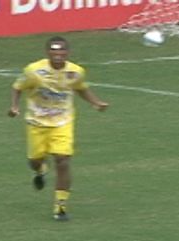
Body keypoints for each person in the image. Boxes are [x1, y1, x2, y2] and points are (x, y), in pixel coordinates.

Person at [8, 36, 109, 221]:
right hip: (37, 123)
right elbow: (17, 87)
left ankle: (60, 206)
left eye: (61, 52)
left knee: (62, 160)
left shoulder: (75, 72)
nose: (58, 55)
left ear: (67, 53)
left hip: (63, 122)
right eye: (54, 52)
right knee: (34, 160)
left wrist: (96, 103)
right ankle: (40, 170)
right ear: (48, 54)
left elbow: (80, 88)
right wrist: (14, 107)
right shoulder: (34, 71)